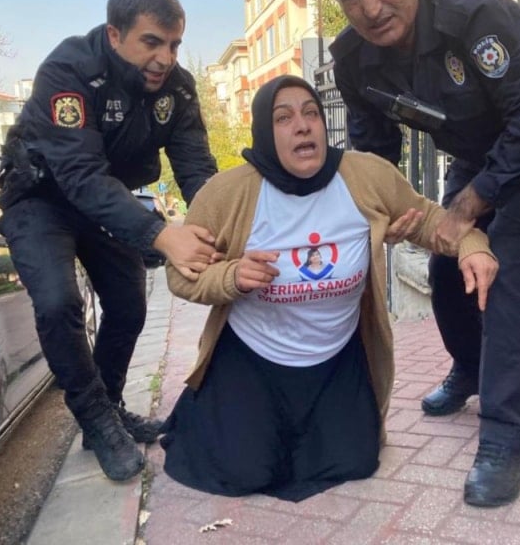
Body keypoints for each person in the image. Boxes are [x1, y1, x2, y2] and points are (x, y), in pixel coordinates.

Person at [323, 0, 520, 507]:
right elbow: (375, 153)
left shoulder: (474, 14)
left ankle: (505, 439)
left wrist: (466, 209)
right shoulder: (353, 60)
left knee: (504, 265)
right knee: (446, 263)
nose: (370, 7)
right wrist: (383, 214)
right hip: (481, 147)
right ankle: (470, 369)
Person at [160, 75, 498, 502]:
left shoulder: (365, 175)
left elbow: (430, 219)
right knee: (243, 472)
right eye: (283, 118)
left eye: (311, 114)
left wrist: (471, 246)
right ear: (263, 129)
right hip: (252, 358)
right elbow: (180, 274)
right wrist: (231, 277)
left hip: (336, 360)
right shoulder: (226, 194)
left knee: (356, 461)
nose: (302, 126)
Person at [0, 0, 219, 482]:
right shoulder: (68, 70)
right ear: (115, 34)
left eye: (175, 44)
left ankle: (111, 407)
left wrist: (221, 222)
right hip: (42, 196)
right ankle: (95, 419)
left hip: (107, 200)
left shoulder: (178, 89)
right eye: (152, 42)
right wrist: (162, 234)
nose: (165, 59)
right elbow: (79, 175)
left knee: (129, 304)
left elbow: (196, 169)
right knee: (58, 302)